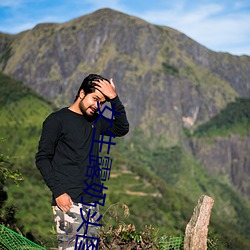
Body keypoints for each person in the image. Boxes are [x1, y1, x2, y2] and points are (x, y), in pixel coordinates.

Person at [35, 74, 129, 250]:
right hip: (68, 201)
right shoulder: (56, 120)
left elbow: (122, 128)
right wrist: (58, 192)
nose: (97, 106)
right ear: (81, 93)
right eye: (95, 99)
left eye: (102, 103)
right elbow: (42, 158)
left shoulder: (96, 121)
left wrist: (114, 98)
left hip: (92, 202)